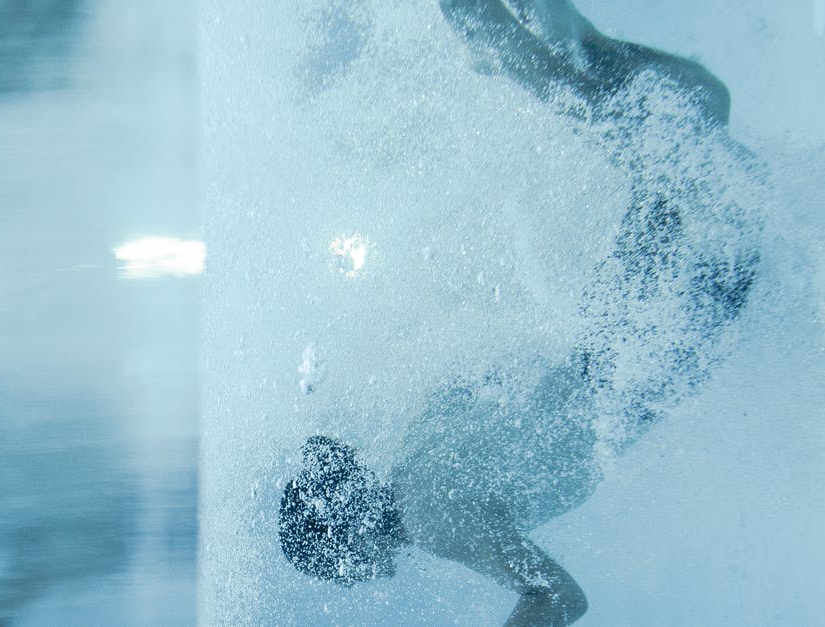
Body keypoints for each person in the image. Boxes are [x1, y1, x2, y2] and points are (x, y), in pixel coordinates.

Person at [280, 1, 762, 625]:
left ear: (348, 539)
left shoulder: (433, 522)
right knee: (694, 118)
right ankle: (548, 49)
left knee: (714, 190)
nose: (350, 583)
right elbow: (508, 387)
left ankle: (526, 58)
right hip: (609, 334)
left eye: (336, 570)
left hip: (636, 366)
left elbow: (557, 596)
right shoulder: (414, 448)